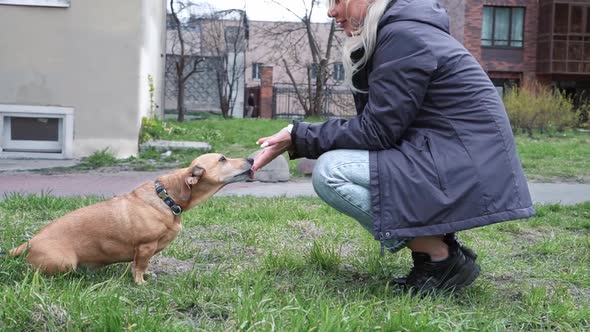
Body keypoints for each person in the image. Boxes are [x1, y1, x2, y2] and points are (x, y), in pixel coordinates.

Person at [252, 0, 535, 293]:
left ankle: (441, 255)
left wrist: (297, 135)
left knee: (332, 172)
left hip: (462, 165)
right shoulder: (398, 32)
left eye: (337, 1)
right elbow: (384, 124)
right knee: (351, 164)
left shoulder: (403, 36)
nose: (331, 12)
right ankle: (432, 256)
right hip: (454, 158)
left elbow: (376, 132)